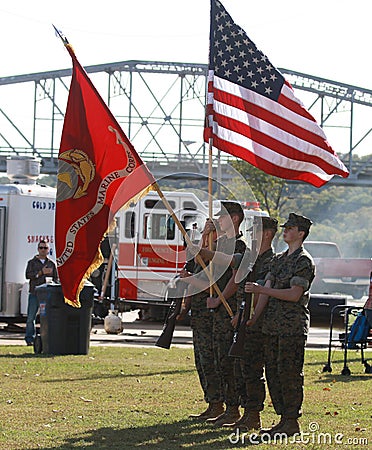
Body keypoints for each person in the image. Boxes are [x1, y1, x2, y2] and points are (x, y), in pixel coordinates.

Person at [245, 213, 315, 437]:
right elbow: (265, 287)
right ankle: (283, 419)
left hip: (291, 328)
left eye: (290, 228)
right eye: (285, 227)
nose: (285, 231)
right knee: (274, 373)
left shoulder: (303, 261)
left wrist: (262, 290)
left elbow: (294, 294)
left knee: (290, 374)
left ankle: (291, 420)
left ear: (300, 233)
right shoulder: (279, 259)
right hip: (271, 327)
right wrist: (254, 318)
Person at [182, 201, 247, 427]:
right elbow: (198, 265)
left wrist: (219, 299)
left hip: (222, 310)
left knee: (224, 361)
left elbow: (235, 278)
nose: (218, 220)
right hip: (203, 309)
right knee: (204, 359)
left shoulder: (238, 246)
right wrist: (204, 237)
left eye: (222, 217)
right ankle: (214, 402)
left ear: (235, 219)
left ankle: (231, 407)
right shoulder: (214, 242)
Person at [229, 216, 278, 431]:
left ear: (267, 234)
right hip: (244, 320)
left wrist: (248, 317)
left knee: (253, 370)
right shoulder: (251, 258)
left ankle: (253, 414)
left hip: (258, 324)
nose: (252, 234)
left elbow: (260, 293)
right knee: (243, 368)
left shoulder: (271, 261)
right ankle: (246, 411)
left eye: (256, 230)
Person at [25, 240, 58, 345]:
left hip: (47, 295)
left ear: (48, 250)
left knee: (47, 317)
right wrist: (41, 273)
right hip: (35, 293)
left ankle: (47, 338)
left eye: (45, 248)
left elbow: (56, 279)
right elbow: (28, 275)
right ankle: (30, 338)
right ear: (38, 249)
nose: (43, 250)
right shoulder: (32, 262)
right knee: (31, 317)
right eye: (41, 248)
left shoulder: (51, 264)